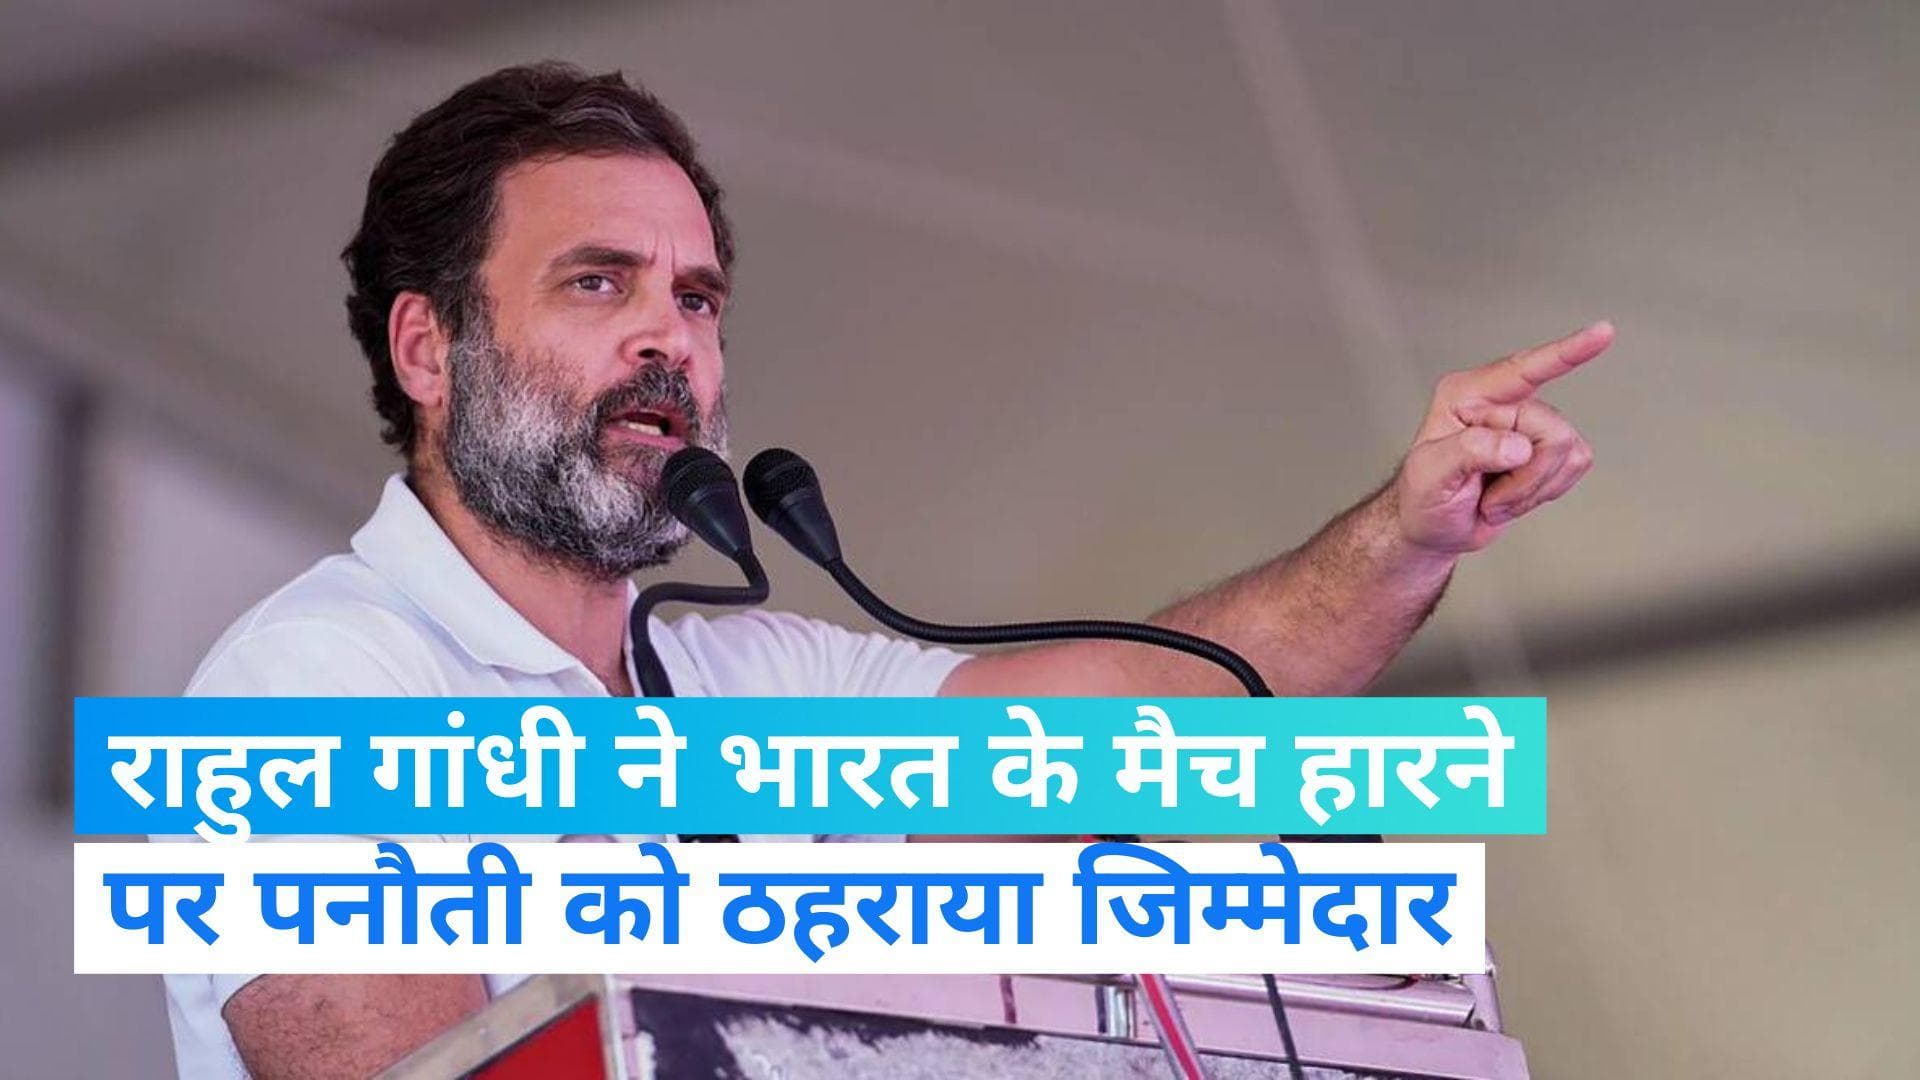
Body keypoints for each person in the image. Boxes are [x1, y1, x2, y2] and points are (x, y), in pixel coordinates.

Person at [163, 62, 1605, 1079]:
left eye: (697, 298)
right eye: (597, 282)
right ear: (428, 349)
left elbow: (1157, 720)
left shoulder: (761, 681)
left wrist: (1401, 537)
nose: (668, 339)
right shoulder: (316, 685)